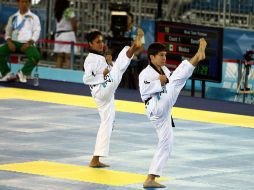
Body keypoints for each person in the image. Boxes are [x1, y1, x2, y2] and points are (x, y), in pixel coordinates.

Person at [139, 38, 207, 188]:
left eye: (165, 55)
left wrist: (164, 81)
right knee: (176, 81)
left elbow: (169, 83)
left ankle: (150, 178)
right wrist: (159, 82)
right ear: (152, 57)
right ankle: (197, 56)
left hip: (164, 109)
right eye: (161, 55)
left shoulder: (163, 70)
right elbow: (143, 92)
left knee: (166, 143)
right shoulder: (145, 73)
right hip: (155, 105)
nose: (164, 58)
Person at [83, 29, 144, 167]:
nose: (101, 44)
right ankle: (134, 46)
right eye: (97, 42)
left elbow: (107, 73)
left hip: (105, 94)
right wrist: (105, 73)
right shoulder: (90, 59)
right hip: (101, 90)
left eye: (102, 41)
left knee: (107, 123)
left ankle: (95, 159)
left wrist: (108, 64)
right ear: (90, 44)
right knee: (118, 69)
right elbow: (87, 78)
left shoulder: (100, 57)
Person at [0, 0, 41, 83]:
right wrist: (9, 41)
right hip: (13, 43)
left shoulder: (34, 17)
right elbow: (7, 32)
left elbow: (37, 31)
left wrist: (30, 42)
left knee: (36, 56)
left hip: (27, 44)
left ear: (29, 3)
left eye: (26, 2)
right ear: (18, 3)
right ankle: (7, 74)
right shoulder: (13, 17)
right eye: (22, 2)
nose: (24, 4)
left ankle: (22, 73)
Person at [53, 0, 77, 69]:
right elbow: (74, 23)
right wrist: (74, 32)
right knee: (68, 58)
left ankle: (57, 75)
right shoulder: (68, 11)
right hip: (68, 35)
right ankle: (68, 76)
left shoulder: (57, 11)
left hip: (58, 36)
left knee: (59, 57)